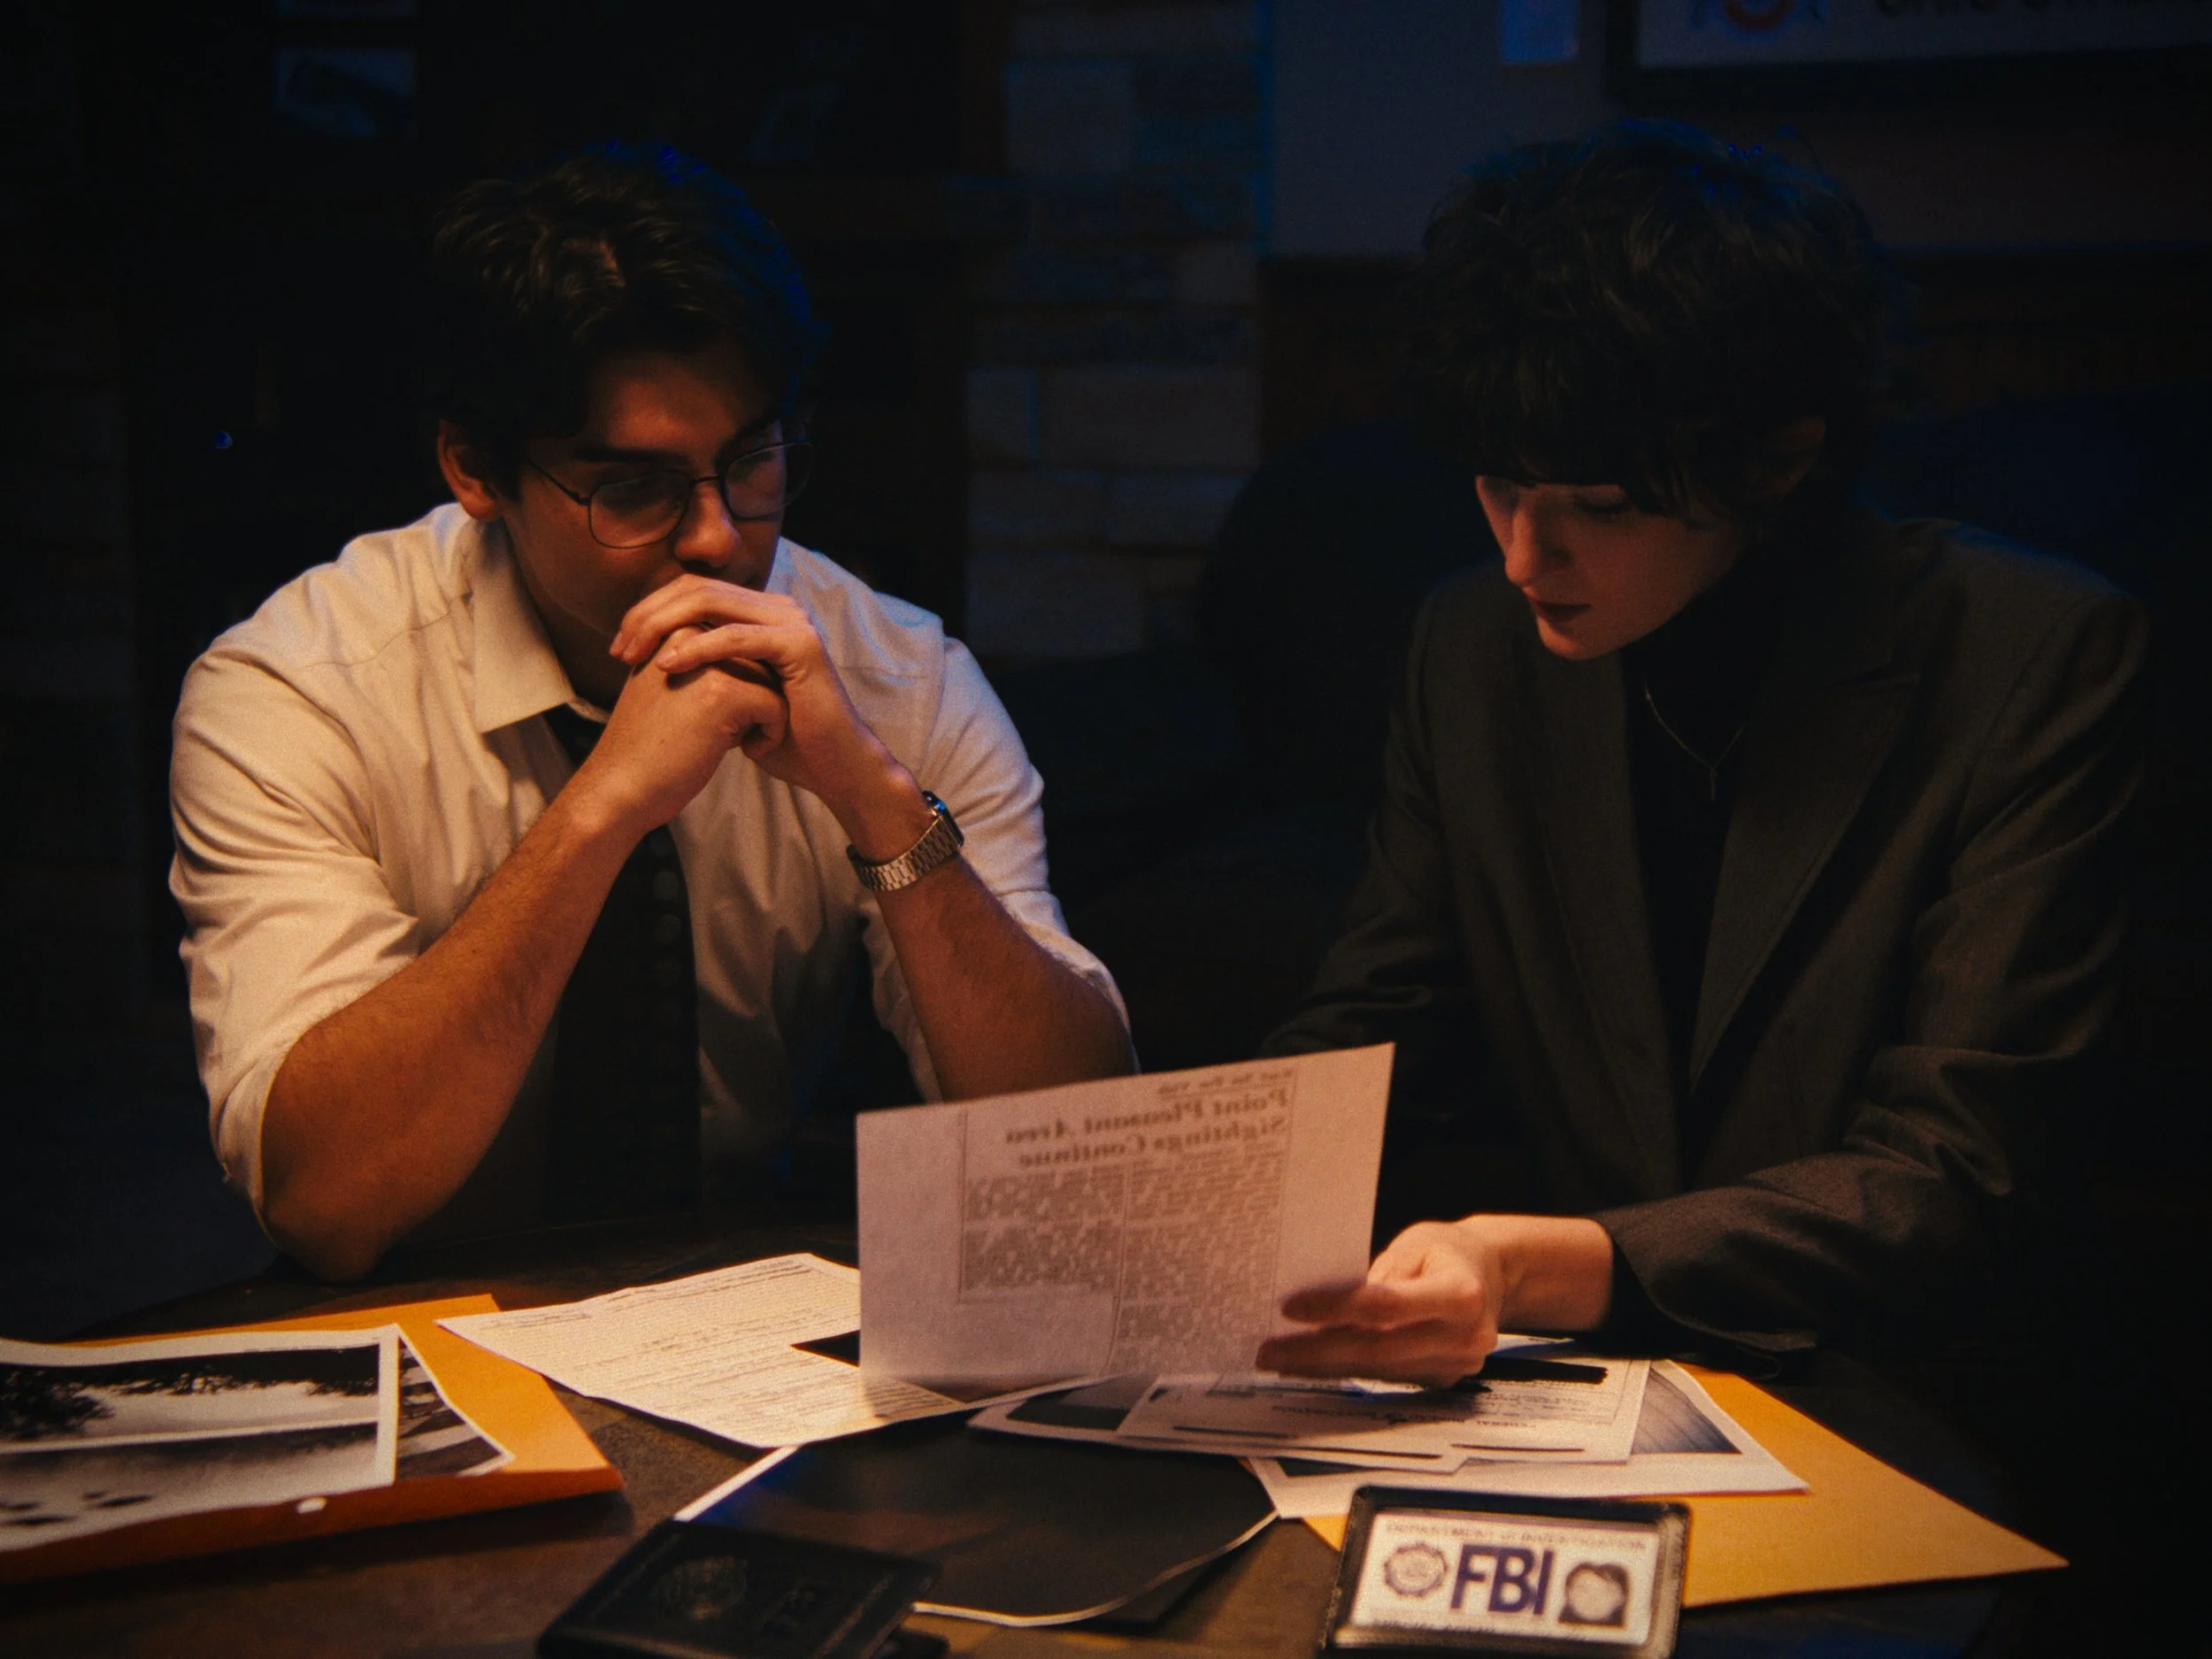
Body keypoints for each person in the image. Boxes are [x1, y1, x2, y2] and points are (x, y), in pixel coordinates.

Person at [1256, 122, 2147, 1386]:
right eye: (1498, 487)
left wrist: (1536, 1263)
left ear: (1779, 456)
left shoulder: (2030, 653)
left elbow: (1959, 1171)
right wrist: (1174, 1201)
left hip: (1923, 1387)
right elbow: (1378, 1023)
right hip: (1597, 1396)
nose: (1523, 557)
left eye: (1598, 507)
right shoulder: (1472, 645)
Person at [170, 146, 1133, 1282]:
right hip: (414, 1307)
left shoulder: (893, 674)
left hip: (738, 1305)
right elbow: (325, 1203)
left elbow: (1085, 1164)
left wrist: (877, 803)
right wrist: (598, 816)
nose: (718, 538)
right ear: (475, 469)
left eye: (751, 462)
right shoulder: (298, 686)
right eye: (633, 487)